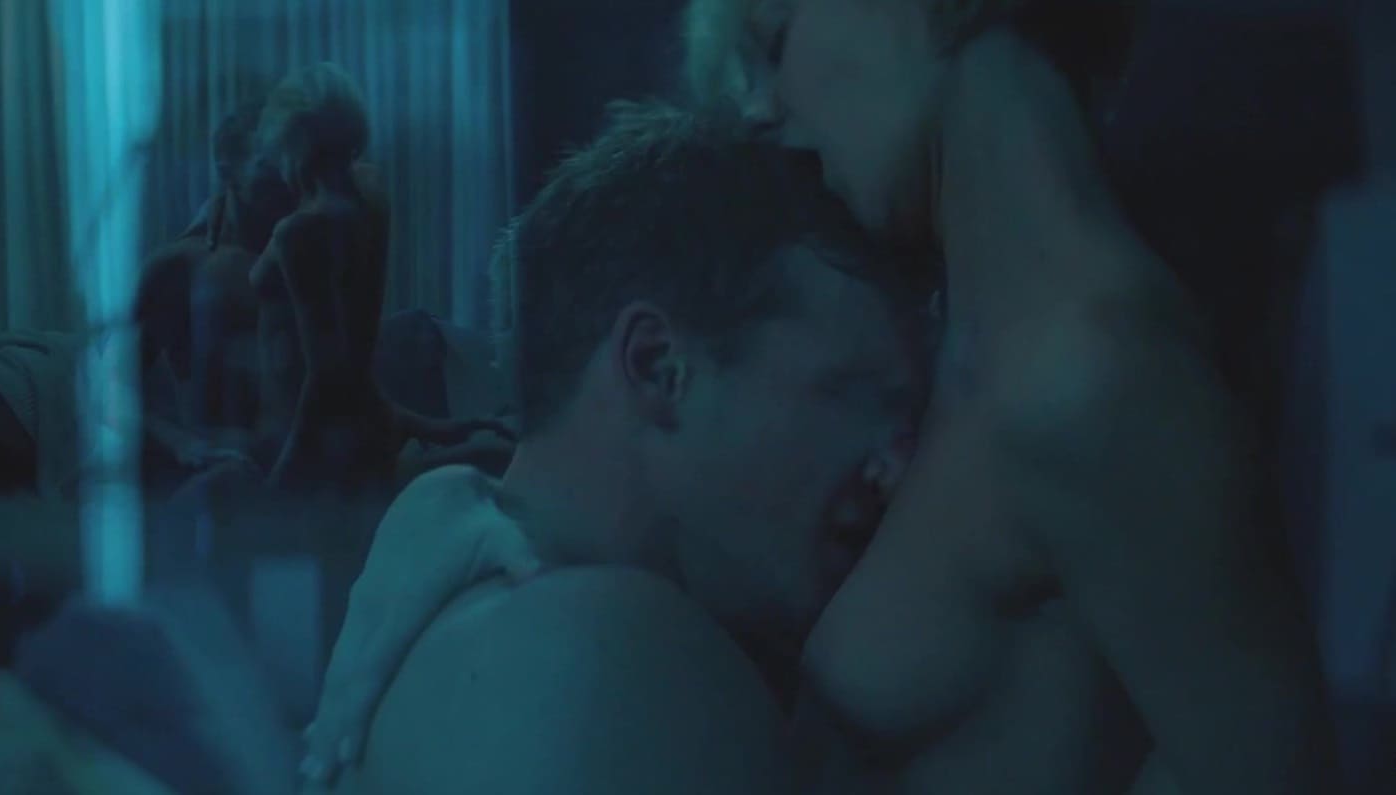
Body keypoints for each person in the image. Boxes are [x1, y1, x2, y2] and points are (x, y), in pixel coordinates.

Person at [301, 1, 1336, 793]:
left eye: (775, 39)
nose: (761, 107)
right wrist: (445, 506)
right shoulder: (965, 365)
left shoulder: (1094, 370)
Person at [302, 100, 924, 795]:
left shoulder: (501, 620)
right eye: (854, 395)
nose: (899, 467)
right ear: (660, 367)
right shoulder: (606, 654)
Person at [248, 64, 512, 489]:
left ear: (293, 139)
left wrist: (282, 480)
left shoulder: (300, 231)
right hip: (356, 432)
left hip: (312, 448)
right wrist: (420, 424)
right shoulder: (368, 196)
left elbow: (326, 374)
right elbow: (352, 363)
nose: (273, 162)